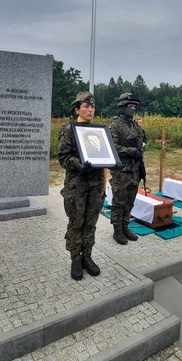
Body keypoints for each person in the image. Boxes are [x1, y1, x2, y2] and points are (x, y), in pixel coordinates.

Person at [57, 92, 105, 280]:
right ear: (77, 109)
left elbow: (104, 153)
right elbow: (63, 157)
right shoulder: (70, 129)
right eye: (86, 106)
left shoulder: (99, 130)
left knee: (90, 223)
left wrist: (112, 162)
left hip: (95, 185)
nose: (90, 109)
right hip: (76, 186)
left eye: (92, 106)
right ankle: (75, 259)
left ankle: (87, 257)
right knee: (76, 223)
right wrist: (78, 163)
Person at [108, 93, 144, 245]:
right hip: (121, 170)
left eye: (135, 106)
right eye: (130, 106)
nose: (133, 108)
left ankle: (125, 226)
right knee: (119, 200)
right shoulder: (115, 125)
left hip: (134, 169)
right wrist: (131, 151)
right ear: (122, 107)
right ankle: (117, 230)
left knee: (130, 200)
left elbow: (142, 141)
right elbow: (113, 146)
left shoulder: (134, 125)